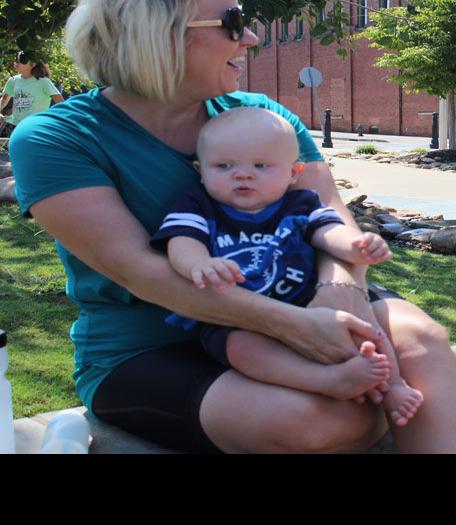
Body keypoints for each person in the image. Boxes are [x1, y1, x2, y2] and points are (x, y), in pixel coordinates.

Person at [12, 0, 456, 453]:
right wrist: (297, 327)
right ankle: (428, 383)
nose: (250, 37)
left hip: (299, 289)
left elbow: (328, 216)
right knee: (312, 423)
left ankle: (423, 375)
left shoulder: (263, 117)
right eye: (233, 23)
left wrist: (336, 292)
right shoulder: (57, 138)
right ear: (158, 35)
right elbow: (140, 270)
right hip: (153, 342)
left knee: (424, 340)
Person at [151, 107, 423, 427]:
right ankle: (326, 380)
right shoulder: (198, 205)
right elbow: (180, 241)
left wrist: (354, 245)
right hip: (238, 316)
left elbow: (327, 232)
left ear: (293, 172)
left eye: (261, 165)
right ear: (200, 170)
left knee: (364, 321)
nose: (243, 174)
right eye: (224, 166)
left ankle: (392, 387)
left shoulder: (300, 203)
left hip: (307, 301)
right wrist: (198, 263)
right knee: (241, 348)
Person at [1, 52, 64, 138]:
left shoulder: (43, 82)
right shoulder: (13, 80)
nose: (16, 62)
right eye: (16, 60)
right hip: (13, 126)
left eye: (21, 60)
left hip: (35, 127)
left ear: (33, 64)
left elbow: (61, 102)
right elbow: (4, 100)